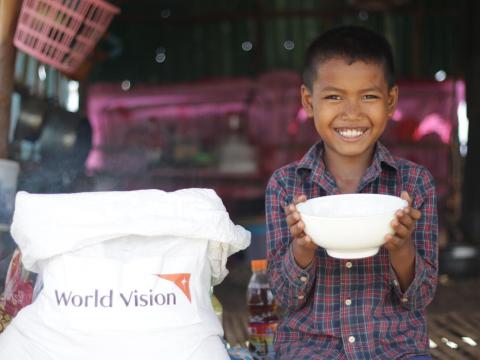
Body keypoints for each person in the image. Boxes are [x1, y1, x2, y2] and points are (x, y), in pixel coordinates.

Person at [265, 25, 437, 360]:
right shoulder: (286, 186)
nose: (352, 113)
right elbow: (285, 298)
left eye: (368, 96)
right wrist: (302, 247)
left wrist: (402, 248)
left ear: (390, 101)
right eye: (333, 96)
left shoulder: (415, 184)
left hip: (396, 349)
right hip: (310, 349)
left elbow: (421, 297)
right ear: (308, 101)